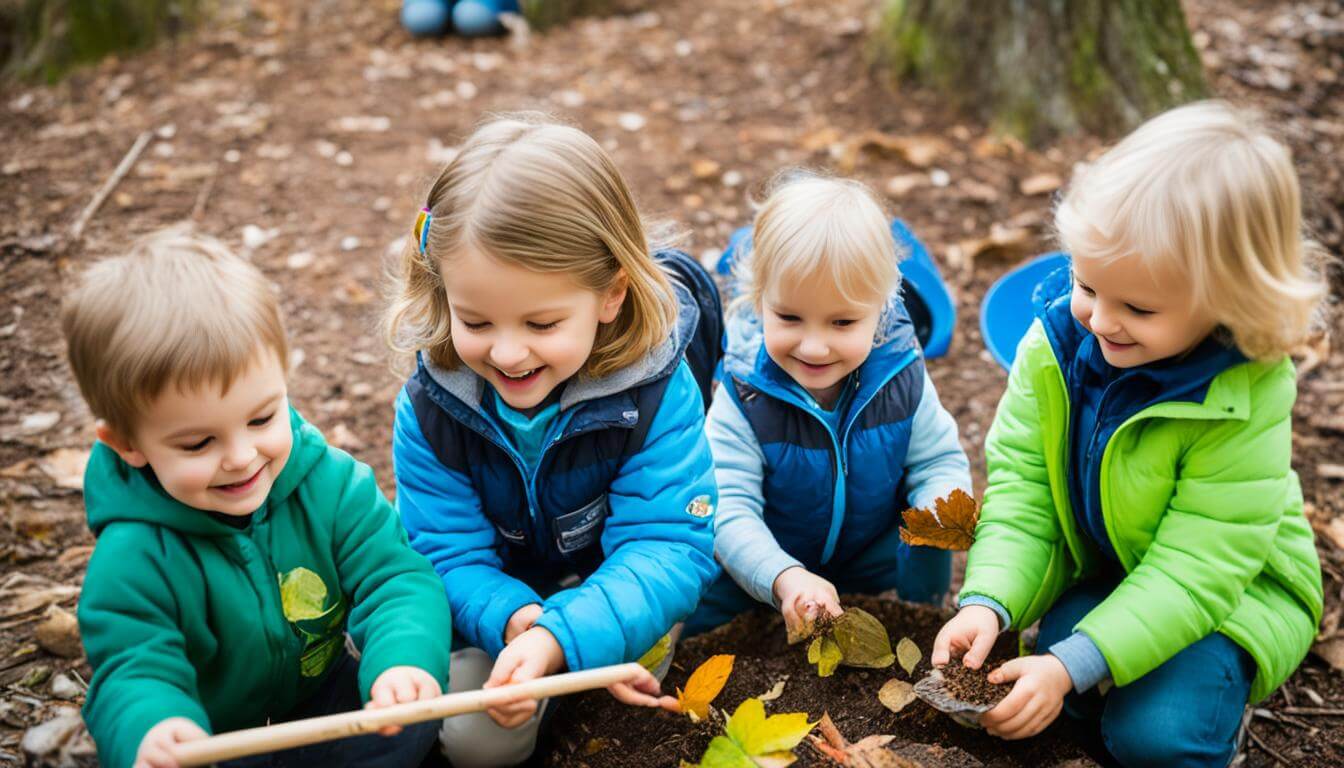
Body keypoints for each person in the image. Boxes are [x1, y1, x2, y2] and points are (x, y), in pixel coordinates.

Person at [935, 101, 1327, 766]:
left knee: (1153, 736)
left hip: (1232, 596)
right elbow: (1025, 493)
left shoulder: (1243, 395)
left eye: (1139, 308)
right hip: (1114, 568)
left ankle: (1213, 725)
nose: (1102, 321)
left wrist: (1072, 664)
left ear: (1229, 301)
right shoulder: (1056, 347)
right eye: (1087, 284)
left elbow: (1199, 566)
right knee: (1053, 669)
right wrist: (990, 602)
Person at [385, 115, 720, 767]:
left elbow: (668, 545)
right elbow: (442, 550)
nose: (507, 352)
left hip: (614, 591)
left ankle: (588, 683)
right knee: (482, 746)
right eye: (475, 320)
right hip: (503, 608)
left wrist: (563, 637)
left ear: (611, 294)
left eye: (541, 322)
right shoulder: (434, 407)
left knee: (626, 718)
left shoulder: (655, 390)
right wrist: (514, 622)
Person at [65, 228, 454, 768]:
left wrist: (402, 663)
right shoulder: (135, 554)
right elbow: (133, 664)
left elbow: (394, 578)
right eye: (199, 442)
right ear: (128, 443)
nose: (242, 456)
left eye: (262, 418)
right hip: (217, 735)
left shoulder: (330, 484)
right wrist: (156, 726)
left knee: (405, 727)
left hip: (323, 702)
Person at [684, 171, 971, 638]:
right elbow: (729, 507)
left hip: (870, 561)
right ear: (759, 300)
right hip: (761, 567)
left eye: (841, 322)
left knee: (920, 566)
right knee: (703, 623)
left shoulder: (902, 376)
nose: (814, 347)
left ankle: (927, 621)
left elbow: (937, 460)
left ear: (879, 311)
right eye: (790, 317)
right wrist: (783, 577)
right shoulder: (745, 393)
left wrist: (937, 509)